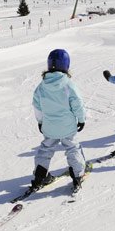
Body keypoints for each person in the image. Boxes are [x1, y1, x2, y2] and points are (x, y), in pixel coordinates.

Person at [32, 49, 88, 194]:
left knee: (45, 149)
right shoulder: (68, 84)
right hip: (67, 127)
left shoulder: (41, 86)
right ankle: (78, 174)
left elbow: (37, 106)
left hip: (49, 126)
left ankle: (39, 176)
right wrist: (81, 119)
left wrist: (40, 122)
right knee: (72, 148)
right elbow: (77, 104)